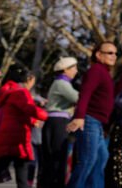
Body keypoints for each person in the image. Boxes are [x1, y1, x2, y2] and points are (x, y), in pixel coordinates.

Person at [69, 43, 122, 188]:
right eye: (110, 53)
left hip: (98, 123)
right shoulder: (95, 71)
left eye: (115, 53)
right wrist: (79, 116)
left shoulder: (104, 73)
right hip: (89, 120)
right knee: (88, 160)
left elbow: (112, 94)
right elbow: (85, 93)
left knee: (101, 159)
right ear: (99, 55)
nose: (114, 56)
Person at [0, 64, 47, 188]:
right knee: (18, 176)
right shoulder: (20, 92)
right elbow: (29, 108)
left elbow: (18, 112)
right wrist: (47, 115)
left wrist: (32, 121)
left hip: (9, 136)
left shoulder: (9, 90)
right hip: (16, 140)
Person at [42, 57, 80, 188]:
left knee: (53, 158)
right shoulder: (62, 83)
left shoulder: (61, 83)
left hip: (55, 122)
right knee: (57, 158)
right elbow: (77, 98)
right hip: (58, 122)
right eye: (73, 68)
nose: (76, 70)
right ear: (65, 70)